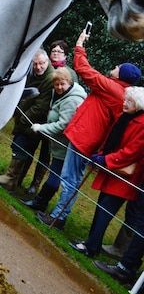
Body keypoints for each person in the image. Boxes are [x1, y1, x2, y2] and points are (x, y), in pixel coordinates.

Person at [37, 27, 142, 231]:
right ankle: (58, 214)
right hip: (84, 137)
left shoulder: (113, 88)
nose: (115, 66)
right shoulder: (115, 90)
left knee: (70, 178)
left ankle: (59, 217)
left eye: (119, 66)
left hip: (84, 140)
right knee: (70, 176)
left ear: (123, 74)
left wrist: (79, 46)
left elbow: (84, 70)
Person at [69, 87, 144, 258]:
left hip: (124, 177)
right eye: (126, 100)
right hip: (112, 170)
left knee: (105, 210)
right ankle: (91, 243)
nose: (124, 103)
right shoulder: (125, 117)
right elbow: (112, 139)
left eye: (129, 102)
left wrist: (107, 160)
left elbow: (132, 152)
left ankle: (90, 246)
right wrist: (102, 155)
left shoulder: (142, 124)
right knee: (101, 206)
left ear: (138, 105)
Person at [20, 67, 86, 211]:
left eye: (62, 84)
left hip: (65, 145)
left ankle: (40, 202)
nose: (59, 87)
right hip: (58, 143)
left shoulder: (72, 100)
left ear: (69, 81)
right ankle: (40, 201)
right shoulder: (60, 94)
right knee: (54, 170)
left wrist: (41, 128)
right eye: (56, 84)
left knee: (56, 173)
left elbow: (63, 125)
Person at [0, 48, 54, 192]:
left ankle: (10, 179)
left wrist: (23, 118)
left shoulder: (50, 79)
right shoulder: (32, 73)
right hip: (26, 118)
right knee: (21, 146)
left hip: (33, 122)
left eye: (42, 63)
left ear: (47, 61)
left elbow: (41, 107)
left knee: (21, 146)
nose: (38, 67)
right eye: (35, 64)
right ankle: (13, 179)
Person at [26, 38, 79, 195]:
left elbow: (69, 97)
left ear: (65, 55)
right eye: (53, 51)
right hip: (41, 118)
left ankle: (35, 184)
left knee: (46, 155)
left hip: (55, 123)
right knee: (30, 148)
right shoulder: (41, 68)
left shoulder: (70, 73)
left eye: (59, 51)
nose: (56, 54)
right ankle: (19, 177)